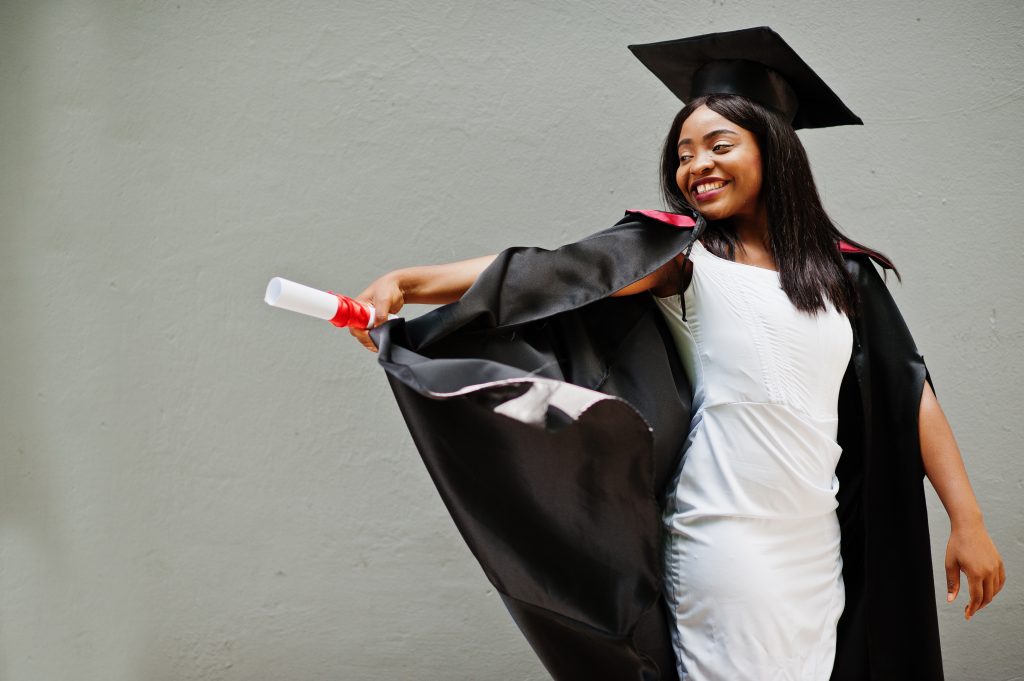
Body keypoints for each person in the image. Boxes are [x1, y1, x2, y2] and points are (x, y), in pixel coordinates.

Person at [348, 27, 1005, 681]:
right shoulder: (680, 257)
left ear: (774, 152)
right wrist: (409, 283)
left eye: (720, 145)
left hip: (814, 546)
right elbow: (549, 270)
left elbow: (911, 392)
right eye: (684, 153)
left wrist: (967, 520)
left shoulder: (846, 276)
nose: (697, 166)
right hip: (723, 540)